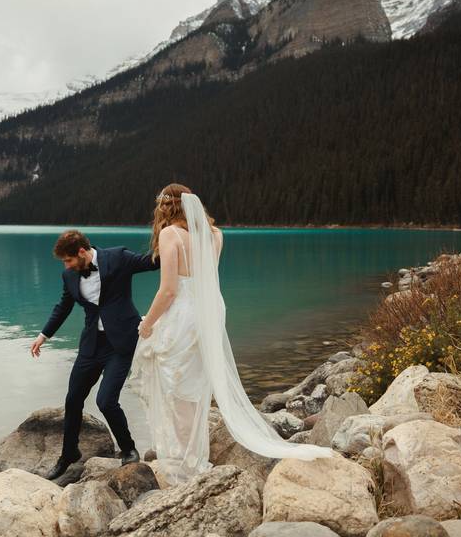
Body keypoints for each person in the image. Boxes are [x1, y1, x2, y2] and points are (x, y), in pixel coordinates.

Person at [127, 183, 333, 485]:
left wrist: (147, 324)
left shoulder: (171, 234)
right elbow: (206, 280)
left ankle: (184, 464)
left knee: (176, 388)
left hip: (182, 315)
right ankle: (194, 456)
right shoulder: (215, 235)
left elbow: (169, 289)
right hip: (208, 313)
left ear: (165, 207)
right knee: (195, 387)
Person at [30, 229, 160, 480]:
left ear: (81, 252)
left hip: (120, 344)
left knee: (106, 400)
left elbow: (151, 262)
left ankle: (128, 448)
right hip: (91, 345)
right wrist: (43, 335)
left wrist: (174, 238)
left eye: (68, 260)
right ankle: (69, 454)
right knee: (73, 398)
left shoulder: (118, 257)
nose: (66, 266)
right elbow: (64, 306)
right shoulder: (69, 275)